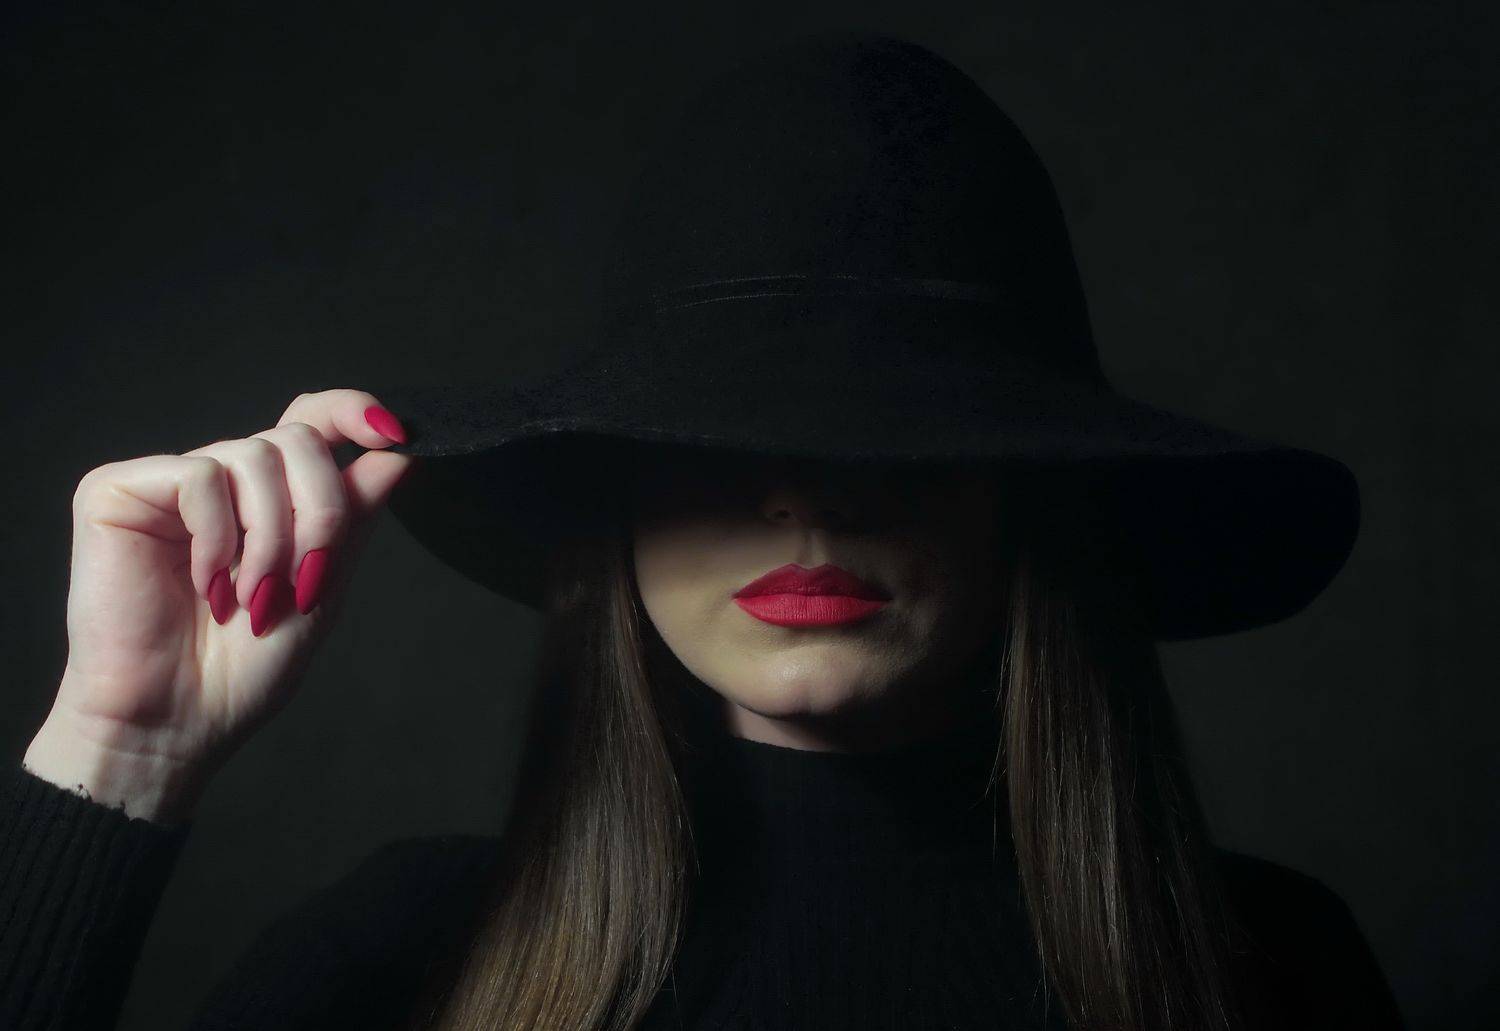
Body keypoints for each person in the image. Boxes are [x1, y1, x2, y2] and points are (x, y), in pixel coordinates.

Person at [0, 32, 1405, 1031]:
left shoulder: (1272, 968)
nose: (806, 497)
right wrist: (121, 753)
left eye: (899, 433)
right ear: (617, 498)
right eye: (717, 438)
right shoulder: (407, 953)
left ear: (1024, 492)